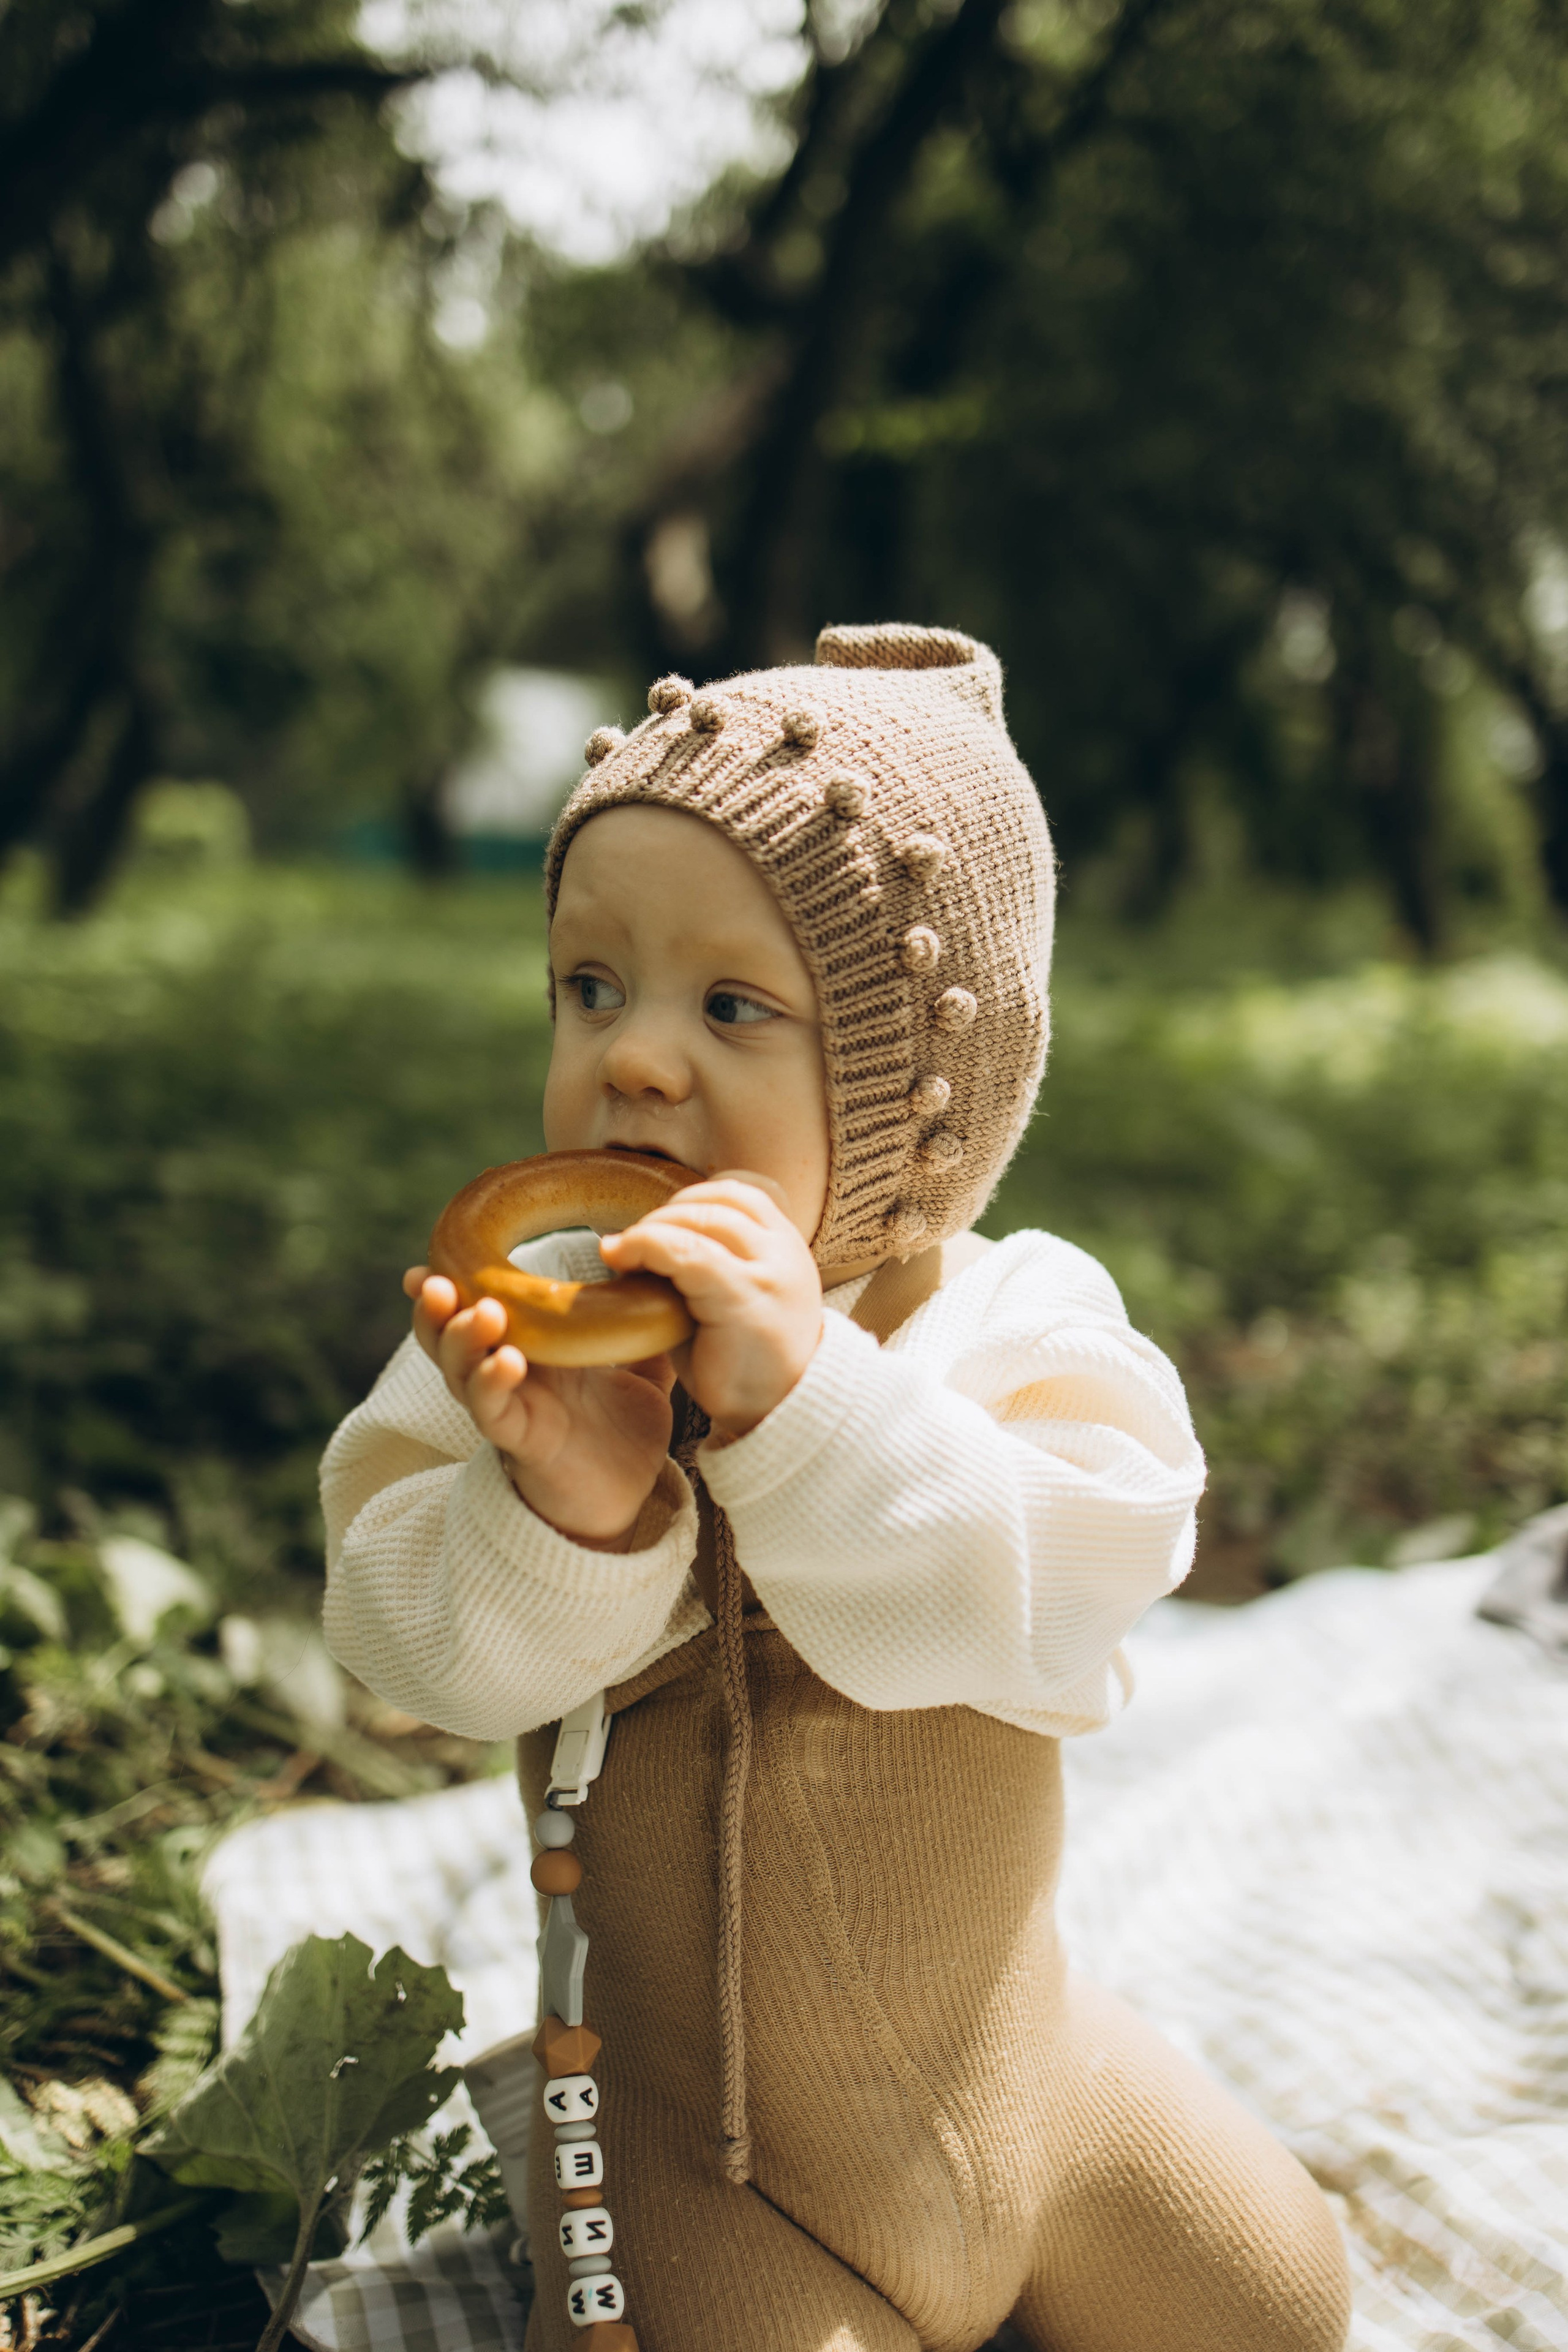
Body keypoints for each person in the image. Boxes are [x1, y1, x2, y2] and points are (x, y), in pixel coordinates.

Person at [321, 625, 1352, 2352]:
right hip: (714, 2145)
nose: (636, 1058)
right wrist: (566, 1518)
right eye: (592, 987)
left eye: (732, 1005)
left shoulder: (1013, 1324)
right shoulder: (523, 1358)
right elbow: (407, 1652)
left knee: (1284, 2297)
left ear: (914, 1098)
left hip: (1026, 2070)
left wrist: (813, 1404)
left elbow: (1073, 1579)